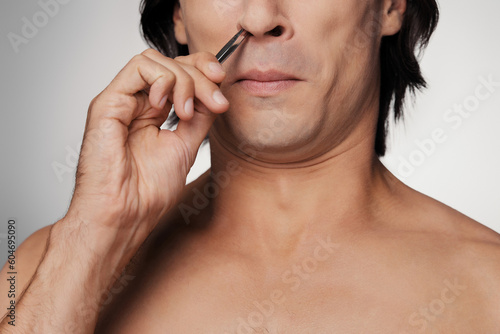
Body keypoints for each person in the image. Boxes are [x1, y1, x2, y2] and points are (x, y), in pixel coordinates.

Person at [1, 0, 499, 332]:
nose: (261, 17)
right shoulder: (47, 268)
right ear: (178, 12)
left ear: (389, 5)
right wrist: (91, 241)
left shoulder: (488, 288)